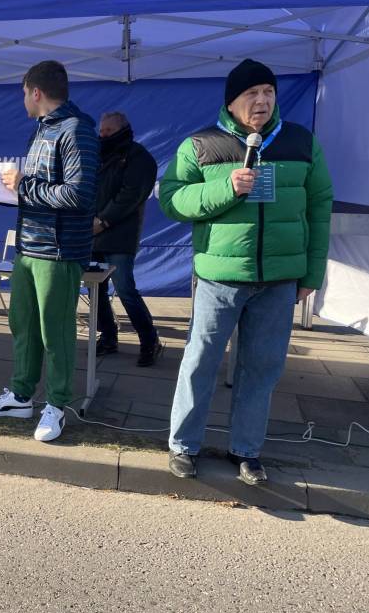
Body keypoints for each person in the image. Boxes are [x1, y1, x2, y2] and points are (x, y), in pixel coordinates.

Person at [159, 58, 333, 485]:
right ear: (232, 102)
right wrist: (226, 187)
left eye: (268, 92)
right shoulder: (200, 144)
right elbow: (172, 199)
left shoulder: (301, 142)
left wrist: (311, 274)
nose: (262, 101)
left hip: (279, 281)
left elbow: (320, 207)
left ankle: (247, 451)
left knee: (262, 369)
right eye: (252, 93)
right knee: (200, 363)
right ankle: (183, 445)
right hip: (218, 279)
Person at [0, 60, 99, 442]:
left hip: (58, 252)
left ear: (35, 92)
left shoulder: (76, 129)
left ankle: (57, 405)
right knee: (23, 326)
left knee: (55, 333)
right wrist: (8, 194)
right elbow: (41, 191)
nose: (23, 101)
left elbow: (79, 194)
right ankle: (20, 397)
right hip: (29, 247)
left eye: (23, 94)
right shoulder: (42, 130)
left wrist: (23, 187)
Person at [92, 111, 162, 366]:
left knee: (124, 289)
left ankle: (149, 340)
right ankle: (108, 337)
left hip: (119, 236)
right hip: (92, 234)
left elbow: (130, 195)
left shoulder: (139, 157)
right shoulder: (97, 155)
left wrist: (103, 221)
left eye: (108, 131)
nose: (103, 136)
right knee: (95, 290)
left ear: (123, 129)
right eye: (101, 131)